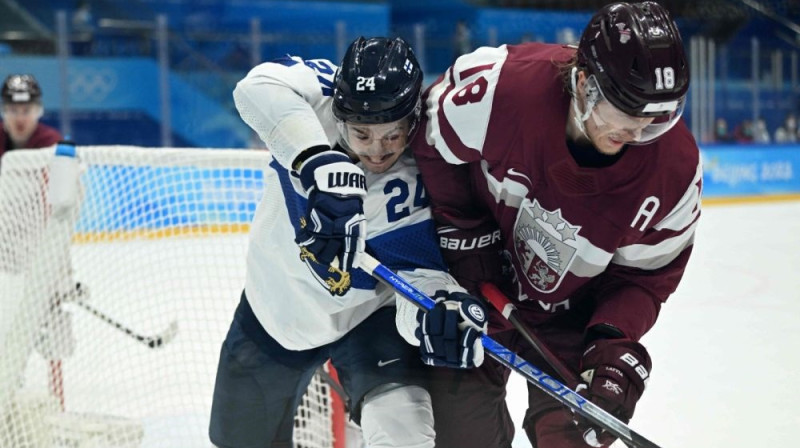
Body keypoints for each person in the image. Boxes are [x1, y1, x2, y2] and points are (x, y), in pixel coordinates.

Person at [411, 2, 702, 448]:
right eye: (625, 112)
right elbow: (431, 139)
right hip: (473, 293)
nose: (640, 131)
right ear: (584, 84)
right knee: (458, 436)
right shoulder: (502, 88)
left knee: (575, 439)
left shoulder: (674, 169)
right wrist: (467, 239)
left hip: (573, 317)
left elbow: (646, 278)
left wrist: (610, 342)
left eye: (657, 117)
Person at [209, 36, 488, 448]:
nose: (378, 151)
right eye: (361, 133)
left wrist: (439, 310)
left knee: (402, 429)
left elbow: (420, 275)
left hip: (369, 316)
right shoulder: (317, 98)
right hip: (278, 311)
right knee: (237, 441)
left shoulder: (424, 169)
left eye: (393, 135)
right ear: (340, 116)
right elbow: (253, 87)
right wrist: (315, 160)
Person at [1, 74, 62, 161]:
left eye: (26, 111)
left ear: (38, 111)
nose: (20, 119)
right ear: (3, 111)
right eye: (13, 111)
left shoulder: (50, 141)